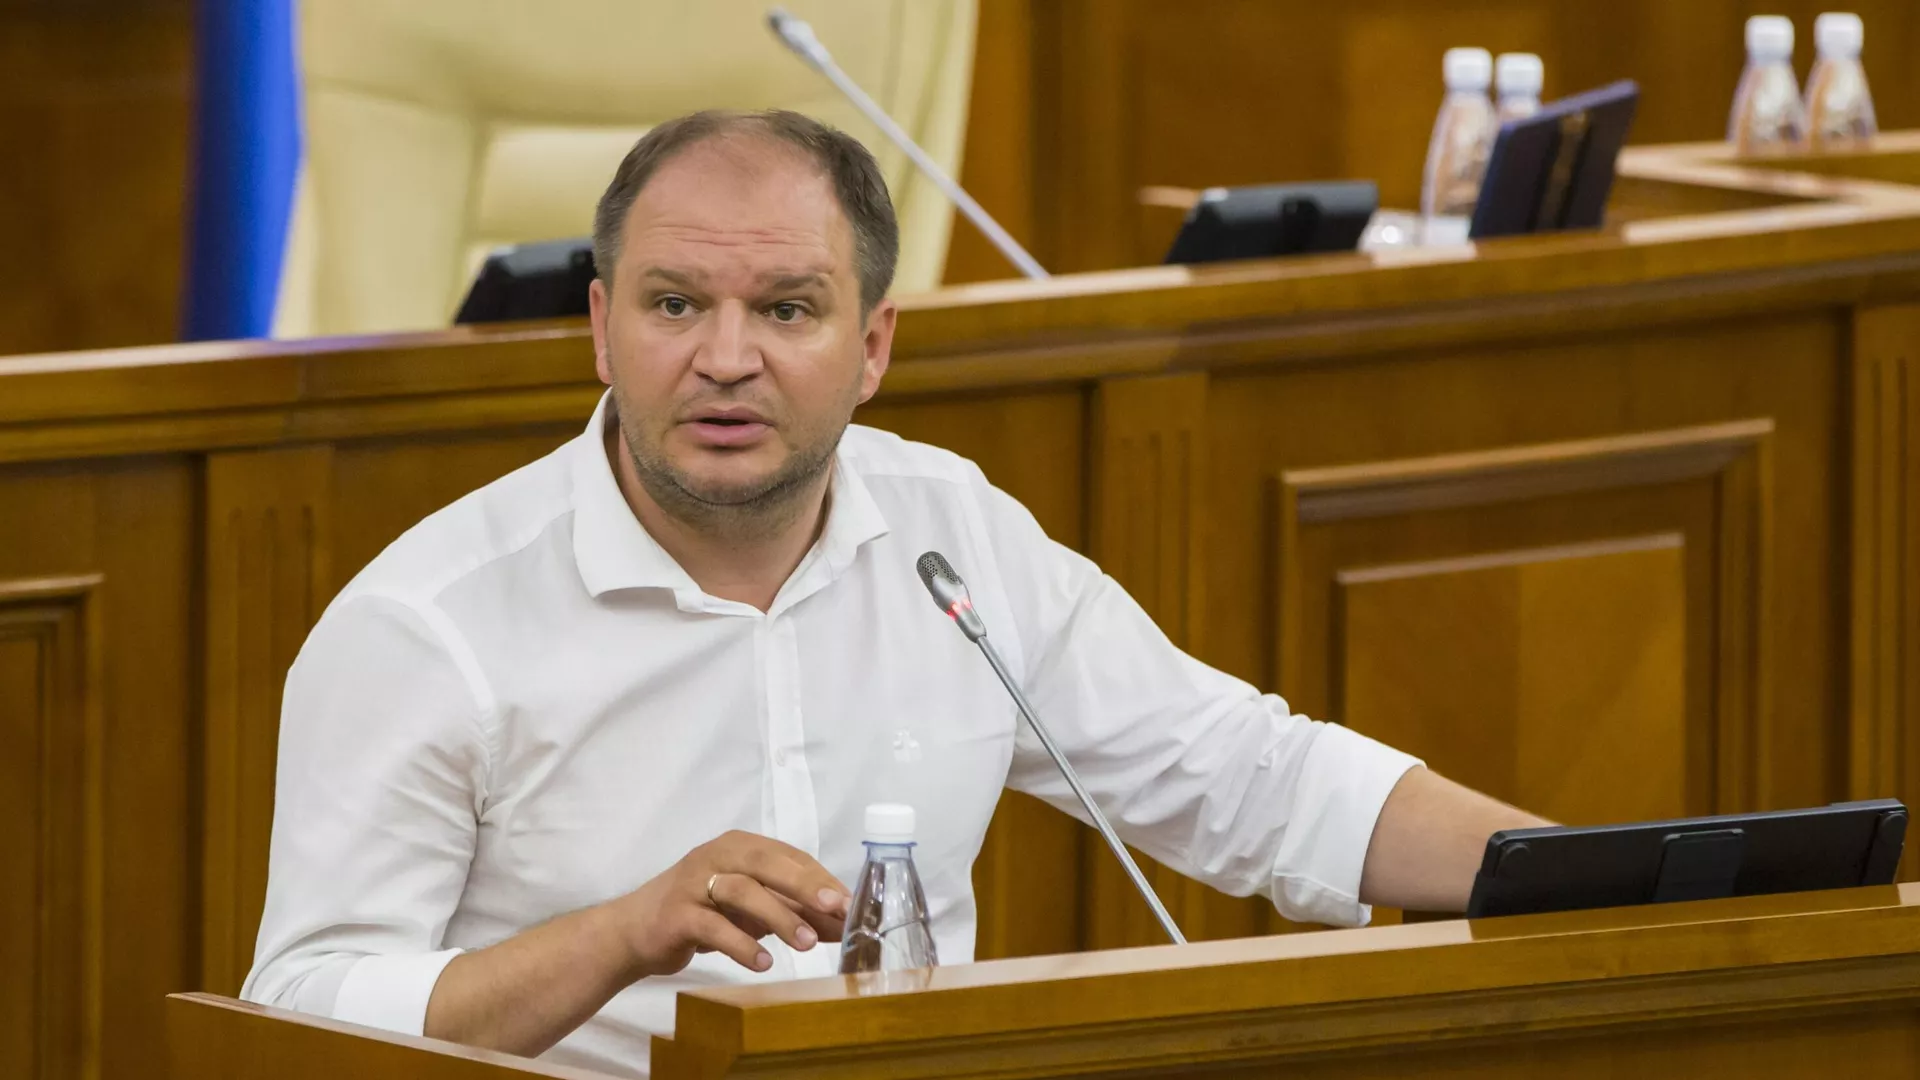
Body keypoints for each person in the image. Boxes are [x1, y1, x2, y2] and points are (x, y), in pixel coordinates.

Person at [242, 109, 1545, 1076]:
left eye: (787, 309)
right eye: (675, 304)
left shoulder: (950, 534)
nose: (726, 358)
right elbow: (300, 1012)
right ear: (599, 329)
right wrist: (624, 933)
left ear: (872, 346)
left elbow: (1253, 777)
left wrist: (1581, 871)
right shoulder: (428, 624)